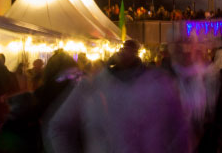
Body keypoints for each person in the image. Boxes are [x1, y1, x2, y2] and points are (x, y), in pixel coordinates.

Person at [46, 39, 188, 153]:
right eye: (124, 47)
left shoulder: (160, 84)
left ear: (137, 52)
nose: (126, 52)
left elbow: (180, 133)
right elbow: (58, 128)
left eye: (131, 48)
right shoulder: (91, 85)